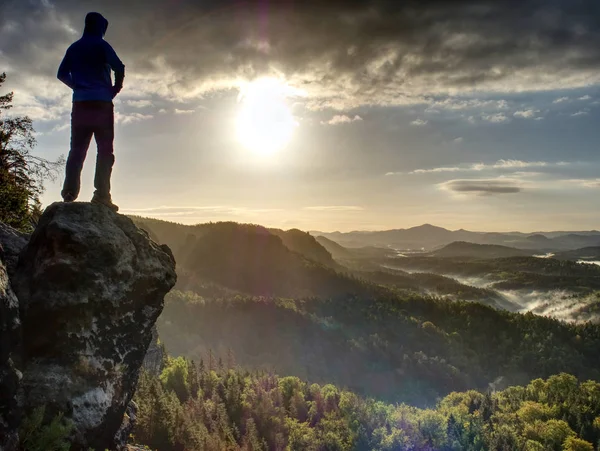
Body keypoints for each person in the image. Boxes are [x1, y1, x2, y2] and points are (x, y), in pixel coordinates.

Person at [57, 12, 125, 211]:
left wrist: (77, 87)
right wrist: (114, 89)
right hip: (102, 104)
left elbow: (61, 74)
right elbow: (119, 67)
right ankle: (102, 195)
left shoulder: (74, 48)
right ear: (100, 27)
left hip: (80, 105)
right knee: (105, 151)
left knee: (77, 150)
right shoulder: (102, 45)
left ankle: (69, 193)